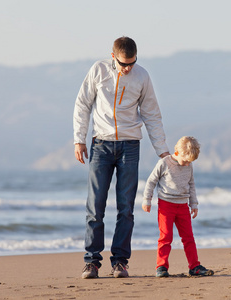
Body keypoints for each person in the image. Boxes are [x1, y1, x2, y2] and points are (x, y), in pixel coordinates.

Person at [73, 36, 170, 279]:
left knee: (126, 208)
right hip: (101, 145)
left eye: (132, 63)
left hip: (129, 146)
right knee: (95, 206)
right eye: (124, 64)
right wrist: (79, 139)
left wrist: (162, 150)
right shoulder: (98, 70)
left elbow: (151, 113)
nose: (128, 68)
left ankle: (120, 261)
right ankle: (92, 262)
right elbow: (83, 104)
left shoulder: (142, 76)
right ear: (113, 56)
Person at [142, 136, 214, 277]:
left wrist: (194, 203)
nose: (187, 164)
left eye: (190, 162)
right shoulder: (164, 163)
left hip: (183, 206)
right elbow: (151, 181)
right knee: (166, 236)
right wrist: (147, 200)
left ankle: (194, 266)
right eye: (185, 161)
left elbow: (191, 184)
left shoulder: (189, 166)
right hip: (166, 205)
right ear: (177, 152)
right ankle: (161, 266)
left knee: (188, 237)